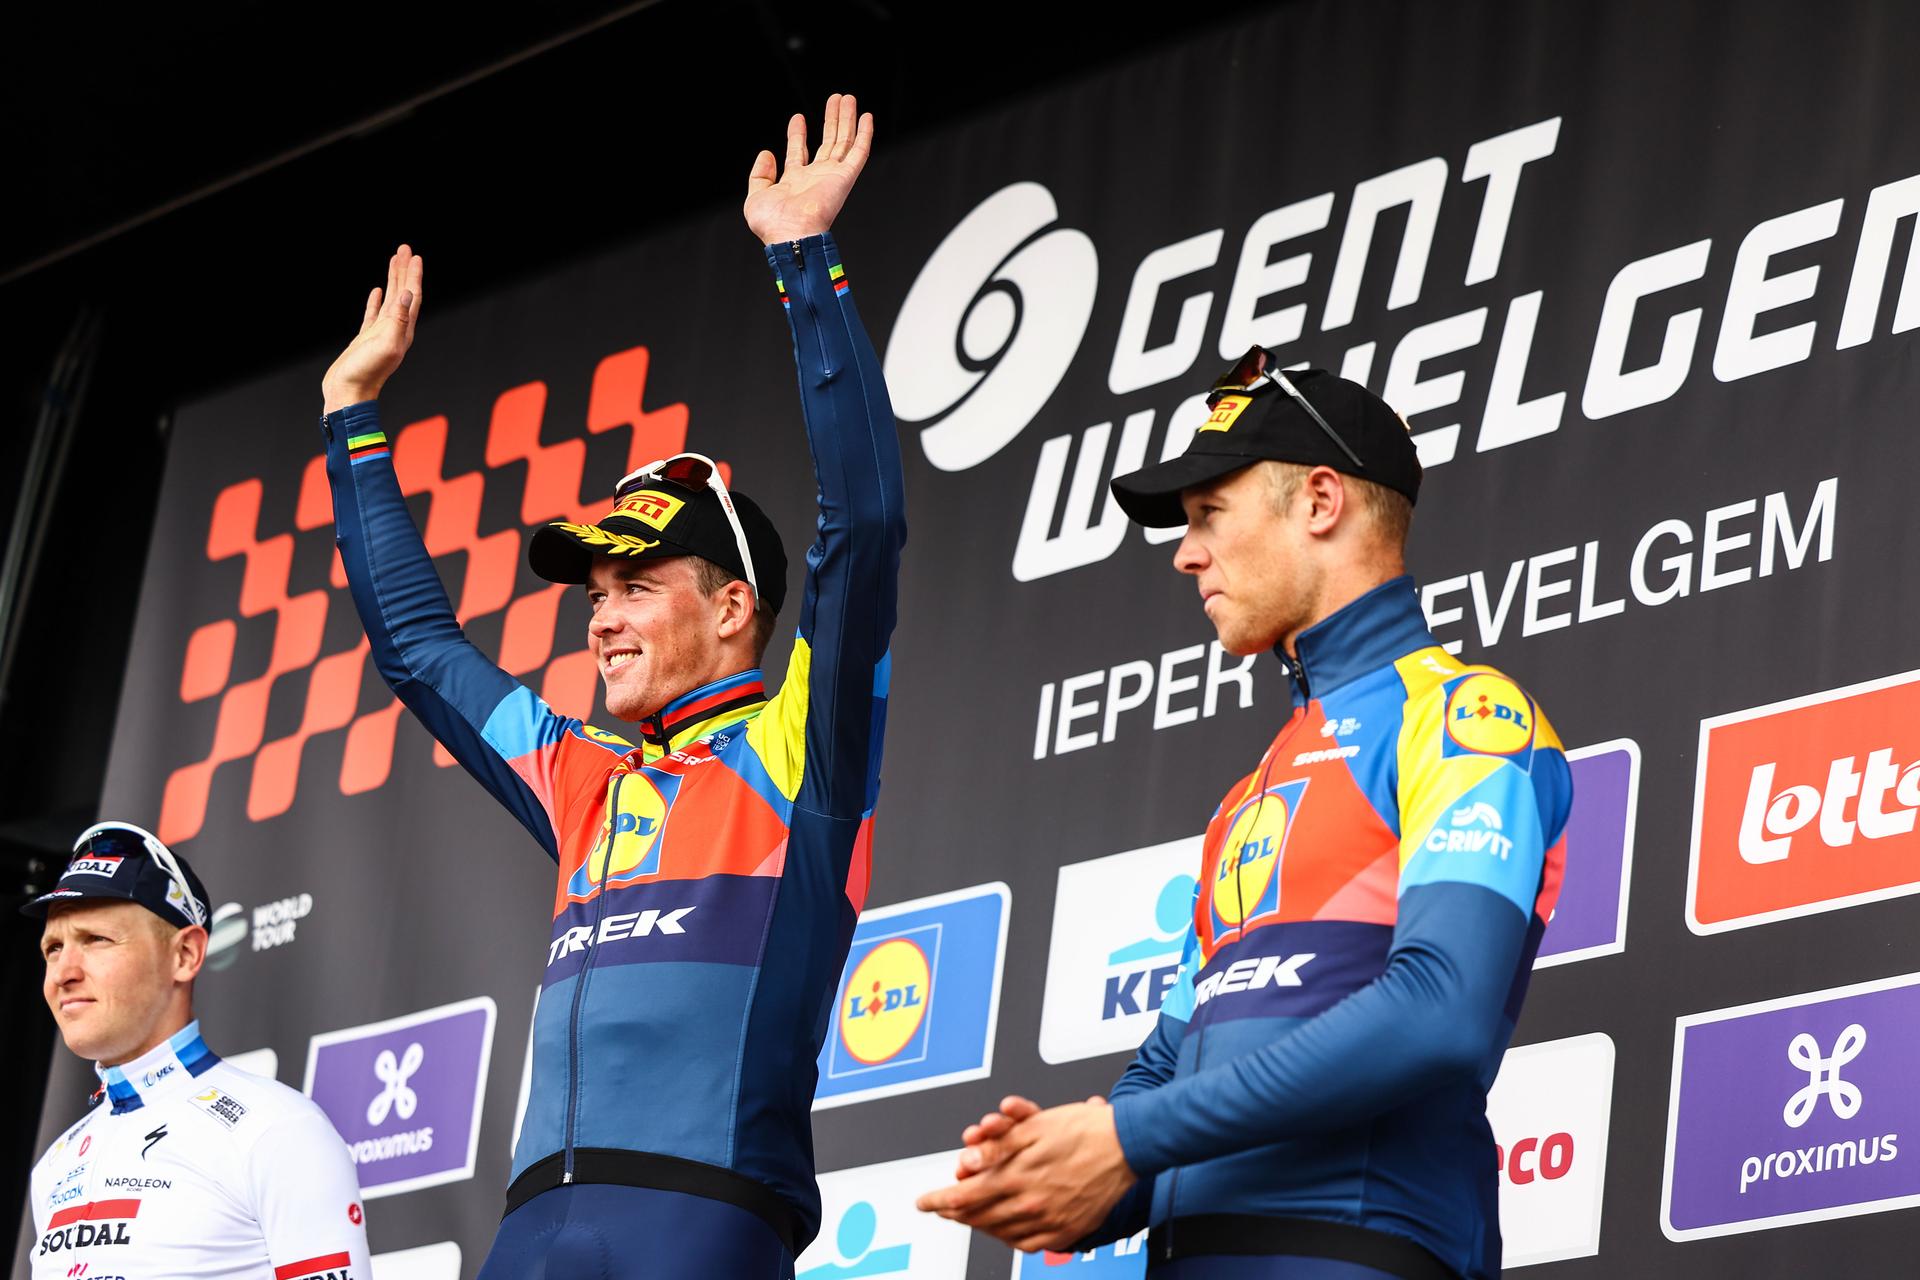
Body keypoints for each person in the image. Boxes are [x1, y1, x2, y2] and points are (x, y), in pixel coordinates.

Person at [317, 94, 903, 1278]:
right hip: (528, 1228)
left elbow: (866, 527)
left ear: (732, 608)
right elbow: (419, 650)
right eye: (594, 593)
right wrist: (352, 415)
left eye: (638, 584)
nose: (603, 616)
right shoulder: (584, 774)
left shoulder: (803, 743)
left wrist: (803, 260)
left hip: (701, 1218)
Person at [918, 350, 1573, 1280]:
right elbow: (1168, 1065)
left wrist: (1128, 1138)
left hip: (1356, 1254)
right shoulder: (1252, 791)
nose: (1186, 553)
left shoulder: (1463, 717)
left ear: (1320, 502)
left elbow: (1441, 1011)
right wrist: (1062, 1174)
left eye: (1209, 514)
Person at [24, 822, 370, 1279]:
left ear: (185, 954)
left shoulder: (277, 1129)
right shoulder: (55, 1165)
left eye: (96, 940)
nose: (62, 973)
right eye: (53, 948)